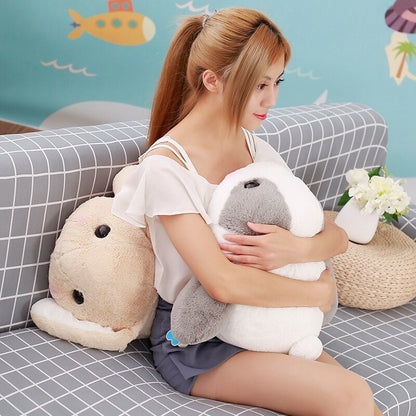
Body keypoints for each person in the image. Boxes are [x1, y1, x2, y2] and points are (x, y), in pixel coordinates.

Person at [113, 8, 384, 416]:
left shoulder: (256, 150)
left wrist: (296, 249)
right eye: (260, 84)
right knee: (350, 396)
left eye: (277, 82)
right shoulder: (166, 168)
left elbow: (331, 233)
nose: (271, 99)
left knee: (360, 400)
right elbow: (221, 283)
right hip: (198, 338)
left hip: (262, 318)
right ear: (213, 80)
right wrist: (316, 292)